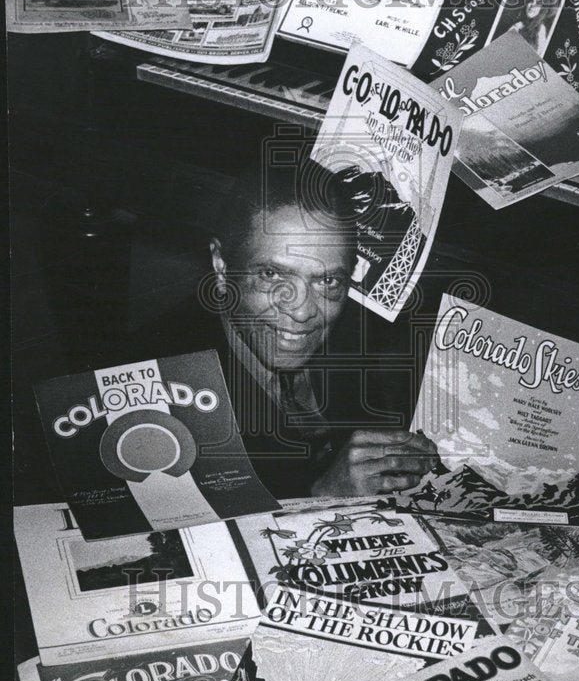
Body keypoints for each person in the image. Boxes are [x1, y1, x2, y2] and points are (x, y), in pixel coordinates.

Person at [120, 157, 439, 500]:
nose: (303, 311)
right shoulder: (149, 386)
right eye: (272, 275)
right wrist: (319, 498)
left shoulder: (352, 330)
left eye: (327, 280)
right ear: (222, 266)